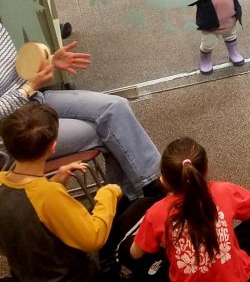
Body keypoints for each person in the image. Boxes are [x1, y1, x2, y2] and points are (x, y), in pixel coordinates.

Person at [0, 104, 155, 282]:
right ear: (53, 146)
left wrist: (57, 181)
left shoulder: (5, 180)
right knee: (137, 204)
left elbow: (32, 211)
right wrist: (108, 193)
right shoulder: (48, 195)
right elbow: (93, 239)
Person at [0, 23, 162, 200]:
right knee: (108, 131)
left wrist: (49, 62)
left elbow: (13, 73)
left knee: (116, 108)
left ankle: (151, 186)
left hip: (33, 101)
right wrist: (29, 87)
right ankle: (141, 196)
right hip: (14, 133)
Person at [127, 137, 250, 282]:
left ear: (163, 180)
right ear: (206, 168)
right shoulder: (225, 190)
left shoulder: (155, 212)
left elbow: (135, 254)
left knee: (128, 251)